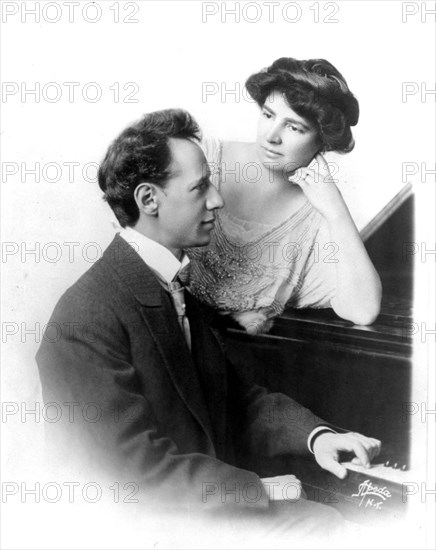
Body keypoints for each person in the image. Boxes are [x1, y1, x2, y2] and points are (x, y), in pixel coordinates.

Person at [36, 109, 381, 545]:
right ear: (148, 200)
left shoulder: (170, 282)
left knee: (335, 522)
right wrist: (257, 489)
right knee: (332, 527)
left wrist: (317, 438)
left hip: (197, 512)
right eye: (200, 187)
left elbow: (235, 401)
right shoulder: (84, 320)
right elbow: (126, 477)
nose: (217, 200)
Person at [188, 57, 382, 334]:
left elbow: (363, 310)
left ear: (323, 141)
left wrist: (336, 210)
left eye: (294, 127)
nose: (271, 136)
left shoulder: (317, 220)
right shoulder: (203, 159)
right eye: (268, 115)